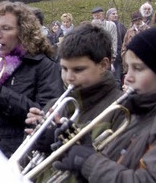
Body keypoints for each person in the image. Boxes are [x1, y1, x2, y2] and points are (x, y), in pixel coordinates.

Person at [52, 25, 156, 183]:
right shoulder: (143, 113)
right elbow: (120, 167)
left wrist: (88, 161)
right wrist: (81, 154)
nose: (128, 77)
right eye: (128, 68)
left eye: (138, 68)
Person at [0, 0, 63, 173]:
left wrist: (0, 94)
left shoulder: (44, 66)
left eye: (6, 28)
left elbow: (46, 117)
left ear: (23, 33)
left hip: (22, 161)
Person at [25, 23, 126, 182]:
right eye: (64, 69)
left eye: (78, 70)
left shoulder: (120, 109)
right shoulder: (55, 104)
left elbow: (115, 170)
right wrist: (36, 141)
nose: (69, 77)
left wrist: (63, 144)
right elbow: (29, 165)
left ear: (104, 65)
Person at [106, 8, 126, 85]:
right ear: (108, 16)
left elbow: (124, 40)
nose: (115, 15)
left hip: (118, 56)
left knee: (117, 79)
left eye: (116, 13)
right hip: (108, 55)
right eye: (113, 14)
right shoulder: (106, 25)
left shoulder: (121, 26)